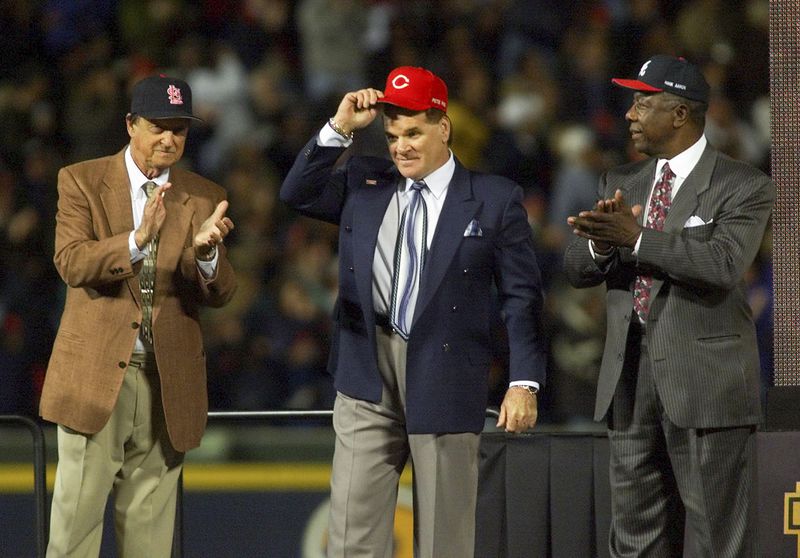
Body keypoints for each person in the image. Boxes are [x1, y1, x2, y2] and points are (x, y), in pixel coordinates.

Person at [280, 66, 546, 557]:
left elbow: (521, 298)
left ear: (442, 127)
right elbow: (296, 193)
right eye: (392, 135)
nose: (400, 146)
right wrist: (339, 129)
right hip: (366, 369)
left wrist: (523, 381)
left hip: (446, 371)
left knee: (445, 540)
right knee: (349, 539)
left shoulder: (492, 199)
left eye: (413, 133)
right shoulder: (367, 181)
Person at [564, 55, 774, 557]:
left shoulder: (742, 184)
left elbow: (723, 264)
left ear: (680, 113)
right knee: (635, 539)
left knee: (716, 541)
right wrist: (601, 243)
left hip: (706, 384)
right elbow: (576, 267)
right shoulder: (622, 180)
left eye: (643, 101)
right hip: (630, 380)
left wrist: (635, 237)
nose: (631, 113)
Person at [40, 75, 237, 557]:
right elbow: (71, 262)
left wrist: (208, 256)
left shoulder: (204, 195)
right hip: (95, 379)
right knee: (73, 537)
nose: (169, 138)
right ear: (131, 125)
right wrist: (135, 241)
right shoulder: (81, 180)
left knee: (150, 542)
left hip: (166, 381)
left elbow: (222, 293)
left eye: (180, 129)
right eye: (158, 126)